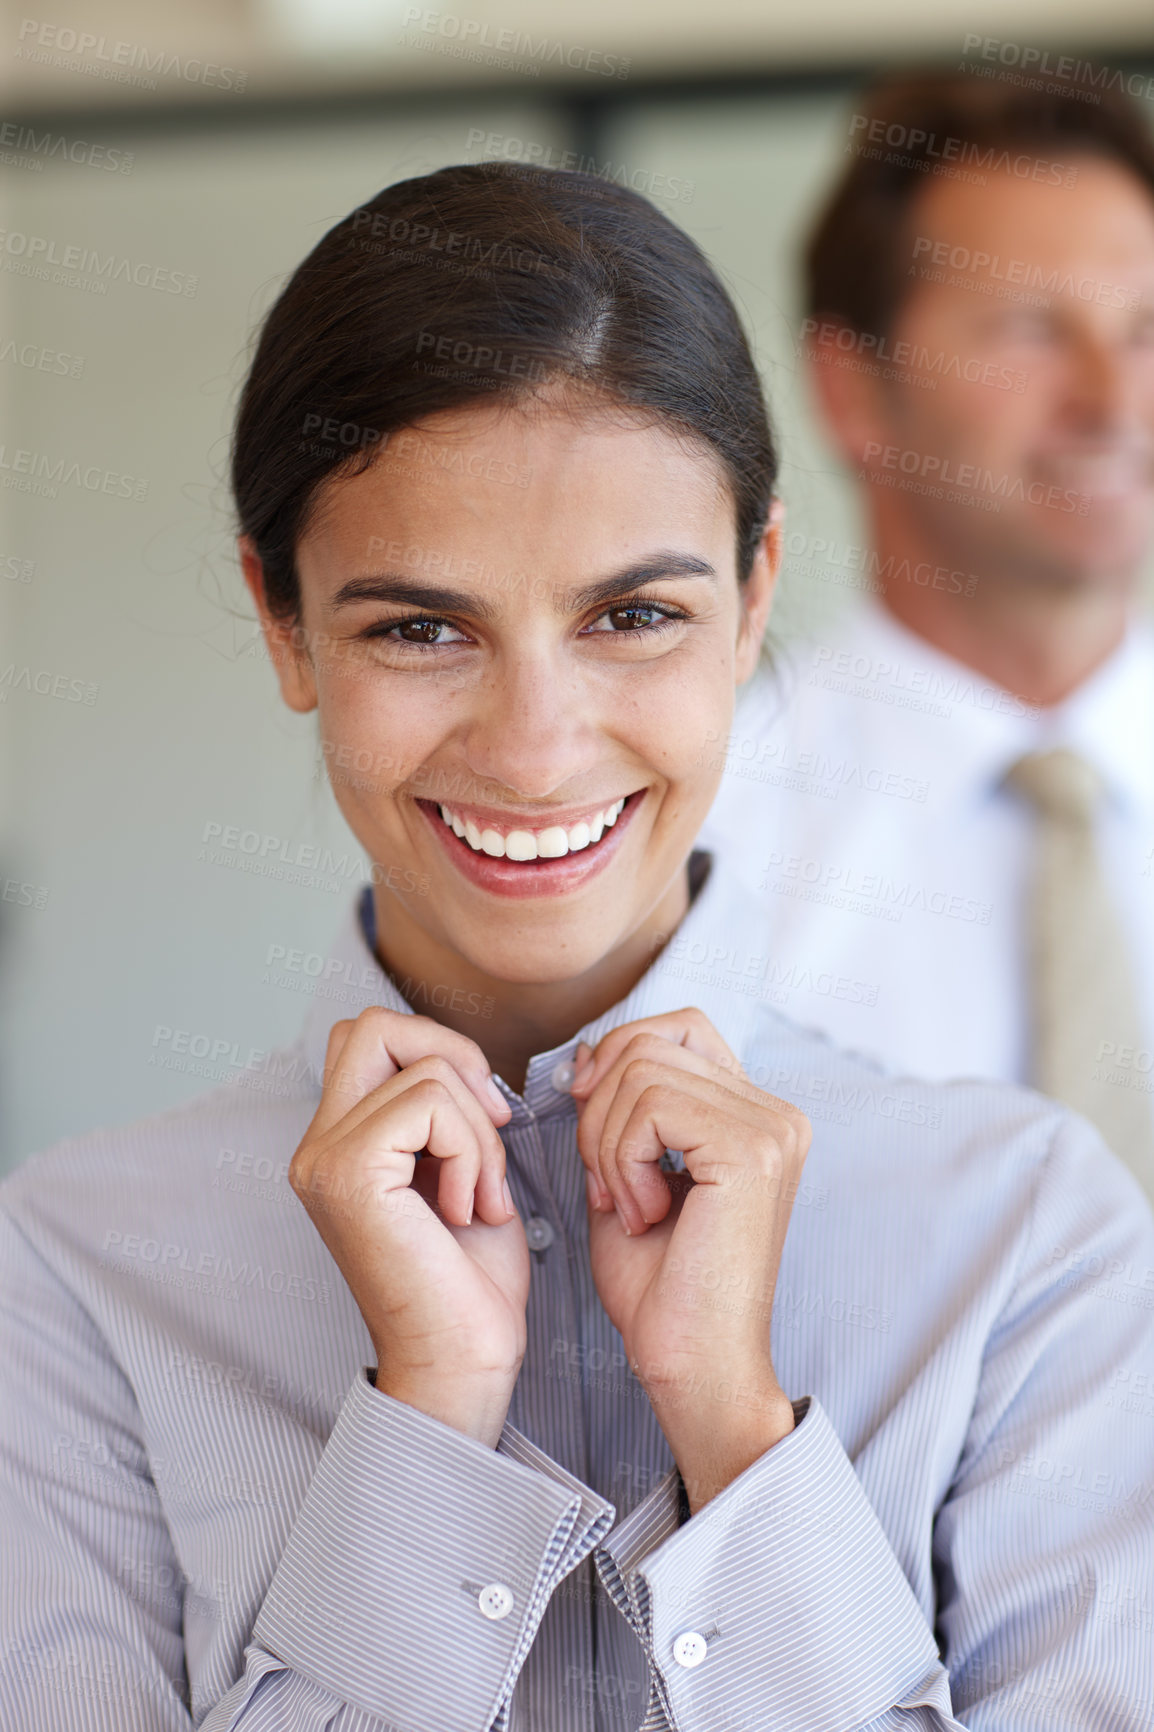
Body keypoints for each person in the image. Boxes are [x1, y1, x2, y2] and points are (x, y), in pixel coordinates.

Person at [1, 164, 1153, 1732]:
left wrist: (736, 1428)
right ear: (282, 623)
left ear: (753, 595)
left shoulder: (1028, 1241)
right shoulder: (71, 1275)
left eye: (633, 618)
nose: (536, 752)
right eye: (420, 627)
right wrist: (426, 1426)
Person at [699, 73, 1154, 1198]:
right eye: (1029, 328)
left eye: (1145, 327)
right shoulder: (704, 852)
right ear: (851, 388)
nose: (1110, 398)